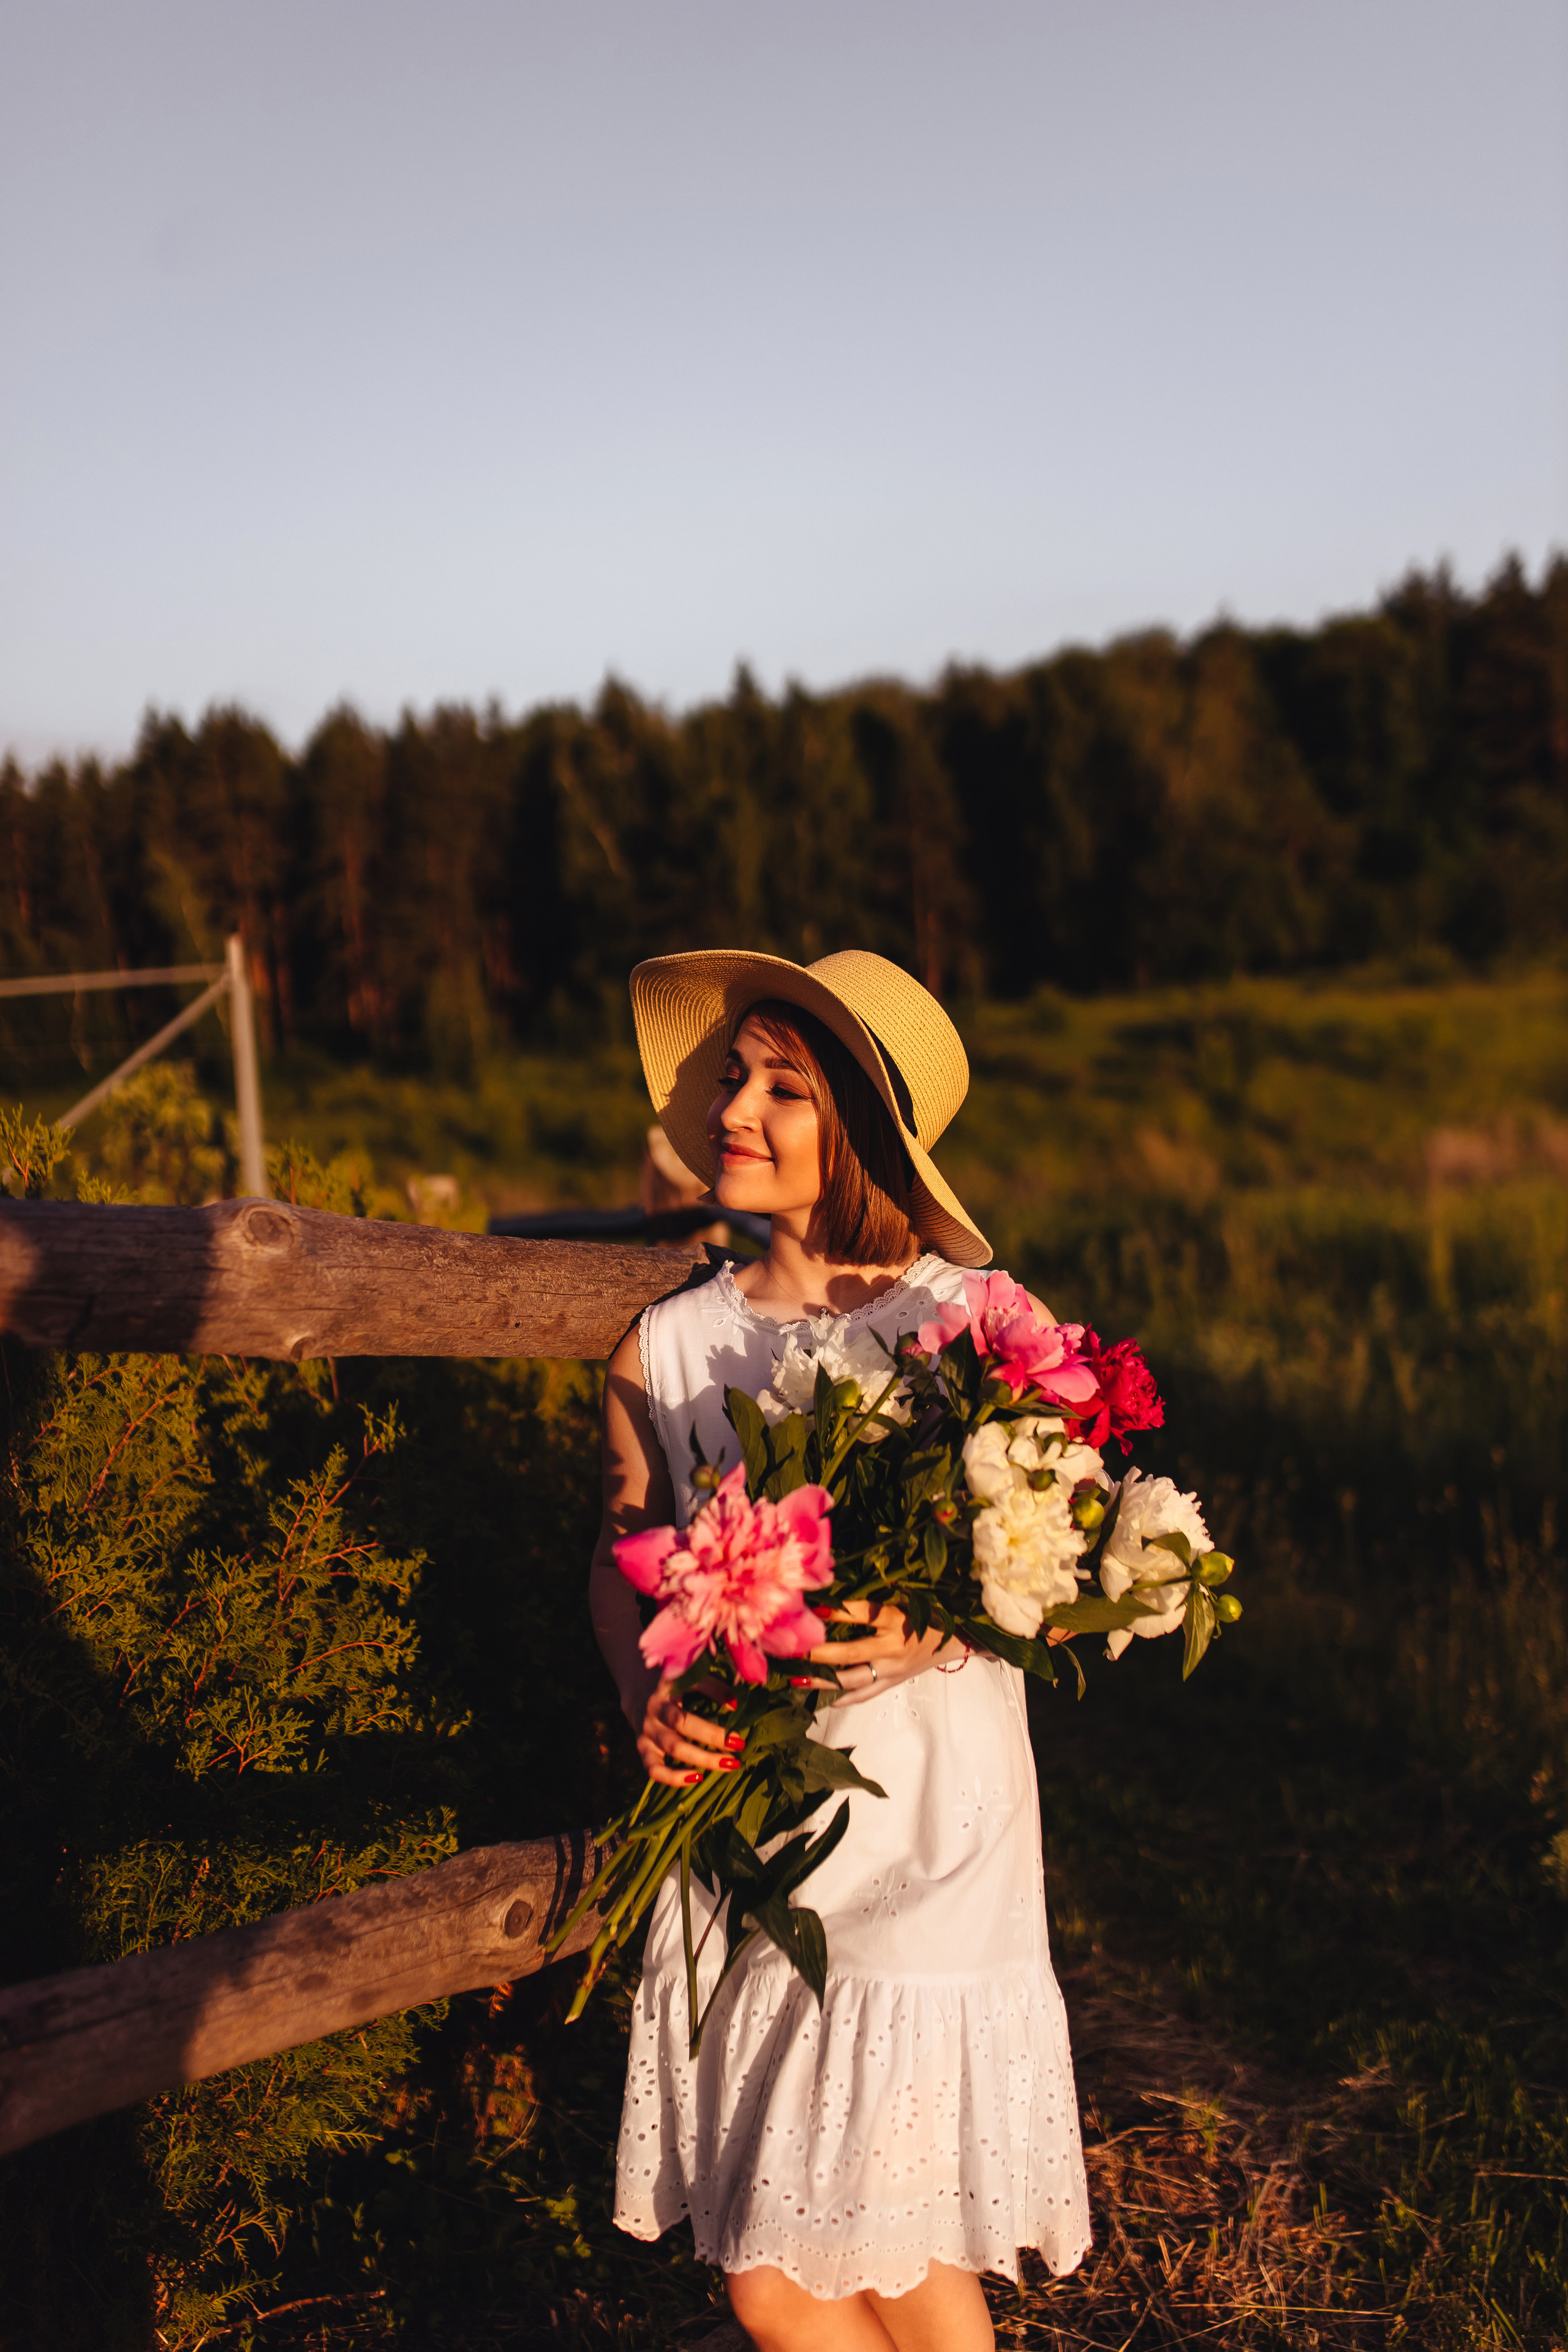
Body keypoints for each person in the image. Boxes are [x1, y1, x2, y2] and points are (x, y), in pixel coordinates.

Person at [590, 949, 1091, 2352]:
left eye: (781, 1088)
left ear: (861, 1127)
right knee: (821, 2259)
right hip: (752, 1831)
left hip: (928, 1820)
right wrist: (644, 1693)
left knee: (803, 2267)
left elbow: (1059, 1565)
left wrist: (932, 1622)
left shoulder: (974, 1324)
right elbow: (619, 1548)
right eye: (733, 1079)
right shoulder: (665, 1347)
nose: (730, 1111)